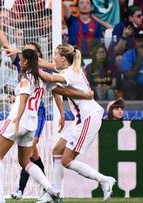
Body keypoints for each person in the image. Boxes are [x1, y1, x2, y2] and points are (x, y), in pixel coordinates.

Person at [0, 9, 93, 200]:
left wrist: (60, 113)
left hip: (24, 117)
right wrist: (84, 96)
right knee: (28, 159)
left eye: (23, 54)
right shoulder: (44, 75)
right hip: (32, 120)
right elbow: (60, 90)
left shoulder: (30, 73)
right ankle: (50, 189)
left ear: (28, 59)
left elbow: (39, 97)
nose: (19, 56)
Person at [38, 44, 116, 202]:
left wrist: (33, 68)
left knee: (66, 160)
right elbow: (46, 66)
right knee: (57, 151)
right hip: (80, 119)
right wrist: (24, 56)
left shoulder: (70, 73)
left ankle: (104, 180)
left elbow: (52, 79)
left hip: (89, 117)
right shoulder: (70, 69)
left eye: (55, 54)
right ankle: (55, 193)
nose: (53, 57)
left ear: (63, 58)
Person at [0, 49, 60, 203]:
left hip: (18, 120)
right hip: (31, 124)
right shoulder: (42, 79)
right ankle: (50, 189)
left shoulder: (26, 78)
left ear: (25, 62)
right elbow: (59, 88)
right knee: (25, 162)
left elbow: (23, 99)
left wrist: (16, 119)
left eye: (21, 59)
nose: (19, 61)